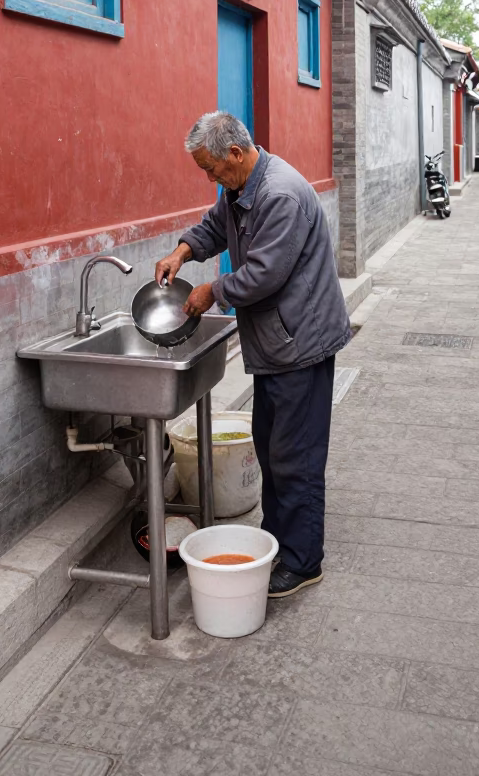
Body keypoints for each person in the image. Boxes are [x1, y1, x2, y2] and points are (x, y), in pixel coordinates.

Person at [155, 111, 350, 599]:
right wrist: (183, 251)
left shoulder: (279, 194)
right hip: (277, 344)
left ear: (236, 155)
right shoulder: (242, 187)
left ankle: (304, 562)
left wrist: (211, 292)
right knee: (271, 446)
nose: (210, 178)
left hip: (300, 342)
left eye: (212, 169)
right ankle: (280, 541)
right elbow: (215, 227)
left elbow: (264, 274)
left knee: (296, 456)